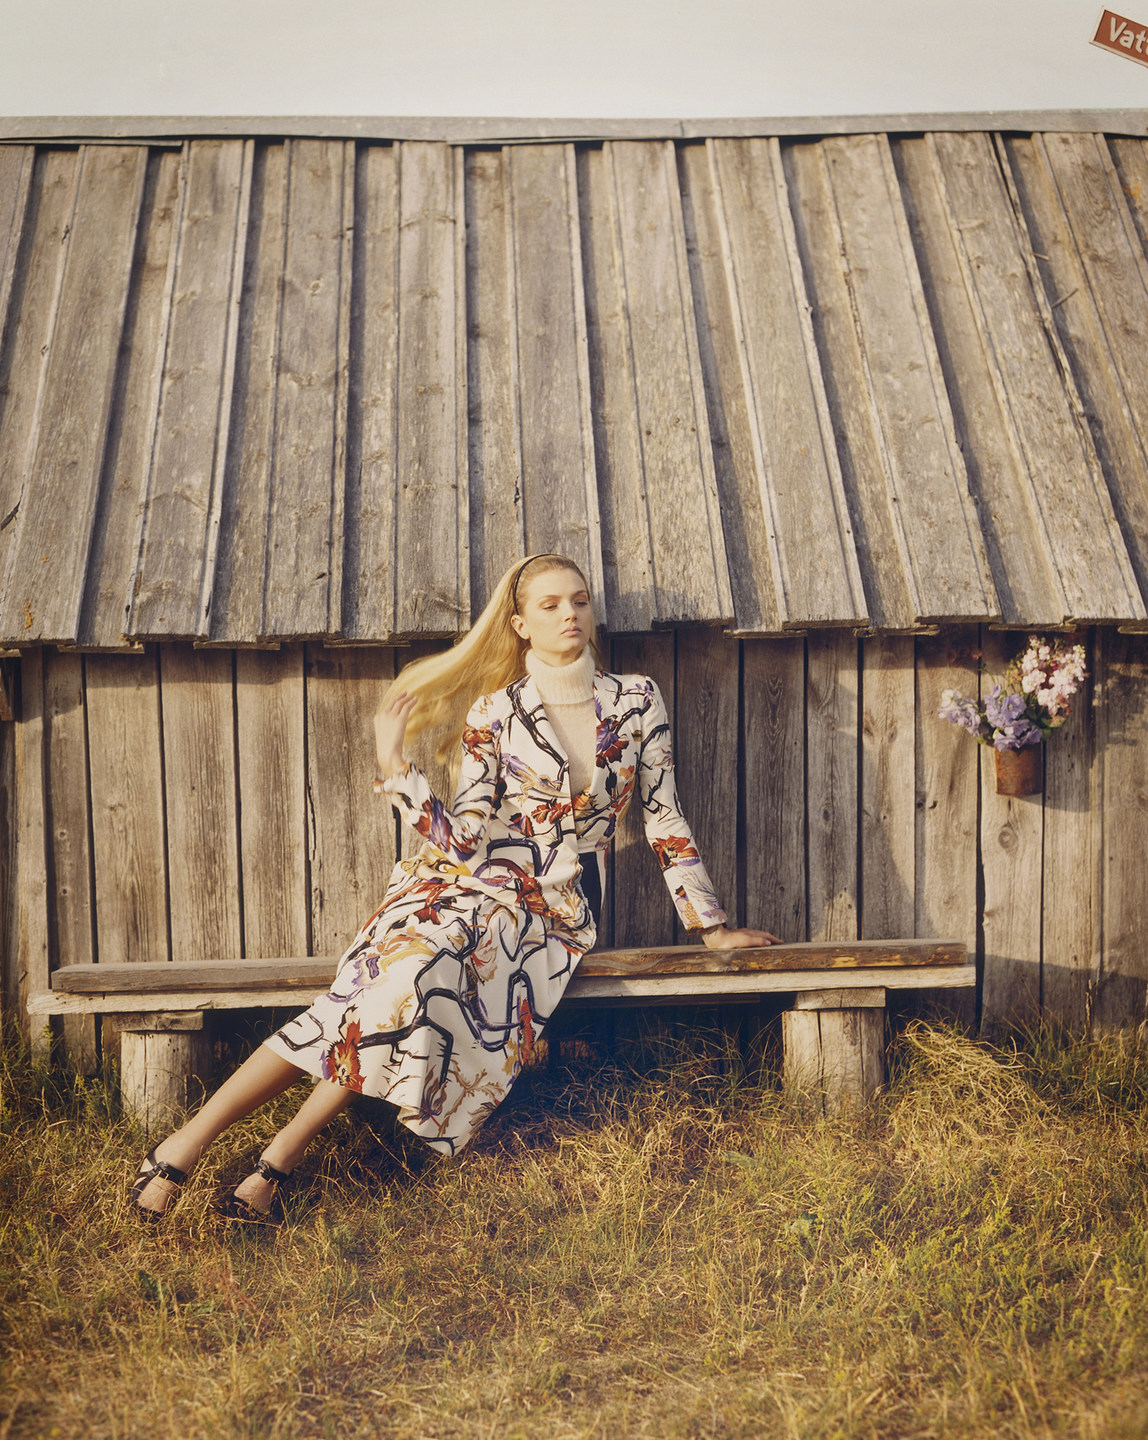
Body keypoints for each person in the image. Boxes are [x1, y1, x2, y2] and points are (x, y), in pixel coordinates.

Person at [132, 553, 780, 1223]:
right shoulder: (494, 712)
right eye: (551, 605)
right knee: (392, 980)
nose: (570, 614)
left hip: (550, 908)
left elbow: (663, 815)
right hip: (459, 883)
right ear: (520, 624)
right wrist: (396, 767)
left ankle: (271, 1156)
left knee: (411, 983)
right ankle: (198, 1146)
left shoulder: (635, 699)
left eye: (580, 601)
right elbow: (464, 838)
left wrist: (711, 928)